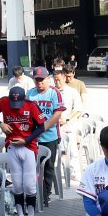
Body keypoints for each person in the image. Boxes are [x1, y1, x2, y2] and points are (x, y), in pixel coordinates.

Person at [0, 86, 46, 216]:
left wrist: (26, 140)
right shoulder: (3, 102)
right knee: (17, 185)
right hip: (12, 147)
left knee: (29, 185)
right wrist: (0, 123)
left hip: (28, 147)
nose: (15, 107)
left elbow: (41, 127)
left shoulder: (31, 105)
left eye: (18, 103)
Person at [26, 67, 65, 205]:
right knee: (32, 167)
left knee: (48, 167)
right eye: (36, 80)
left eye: (42, 80)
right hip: (33, 138)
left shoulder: (54, 93)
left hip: (50, 136)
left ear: (48, 79)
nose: (39, 83)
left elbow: (58, 114)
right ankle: (33, 192)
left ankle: (45, 194)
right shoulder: (30, 93)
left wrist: (43, 128)